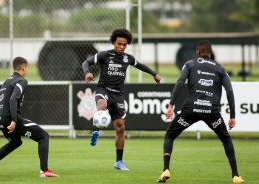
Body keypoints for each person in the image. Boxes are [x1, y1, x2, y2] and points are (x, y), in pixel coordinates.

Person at [157, 40, 244, 184]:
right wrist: (232, 116)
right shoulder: (220, 69)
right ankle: (235, 175)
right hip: (211, 112)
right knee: (226, 139)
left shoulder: (190, 64)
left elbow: (179, 83)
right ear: (211, 53)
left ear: (198, 52)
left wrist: (171, 105)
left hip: (190, 110)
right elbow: (229, 90)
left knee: (170, 135)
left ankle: (166, 169)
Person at [82, 28, 161, 170]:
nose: (122, 47)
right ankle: (96, 130)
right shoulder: (104, 55)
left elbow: (141, 66)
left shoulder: (127, 58)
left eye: (124, 44)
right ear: (113, 42)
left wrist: (154, 74)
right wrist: (87, 73)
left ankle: (119, 162)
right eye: (119, 44)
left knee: (120, 127)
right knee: (101, 105)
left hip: (118, 95)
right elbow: (85, 63)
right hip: (103, 90)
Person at [0, 57, 59, 177]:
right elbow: (13, 99)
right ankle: (44, 170)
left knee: (15, 142)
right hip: (9, 119)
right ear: (24, 67)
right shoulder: (21, 81)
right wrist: (13, 120)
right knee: (43, 136)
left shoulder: (6, 82)